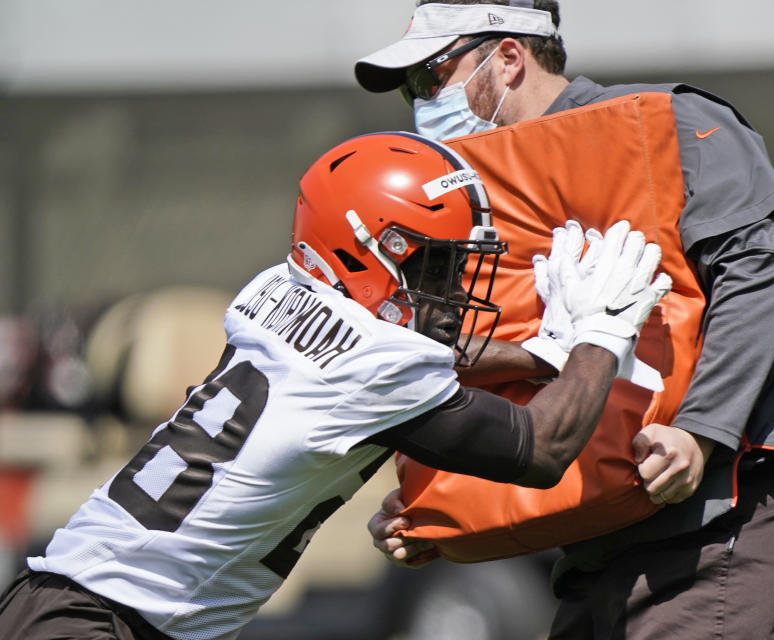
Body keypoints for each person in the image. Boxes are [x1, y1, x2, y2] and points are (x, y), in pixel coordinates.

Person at [0, 131, 671, 640]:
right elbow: (542, 448)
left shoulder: (274, 292)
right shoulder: (370, 365)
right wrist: (599, 340)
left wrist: (536, 354)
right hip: (103, 623)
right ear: (361, 249)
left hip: (66, 600)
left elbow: (410, 355)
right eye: (435, 265)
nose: (452, 288)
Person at [355, 2, 774, 639]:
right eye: (408, 90)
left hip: (733, 490)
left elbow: (764, 268)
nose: (419, 102)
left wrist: (699, 433)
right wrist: (439, 506)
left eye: (431, 77)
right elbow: (499, 361)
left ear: (507, 58)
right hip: (605, 524)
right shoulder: (469, 195)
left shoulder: (667, 123)